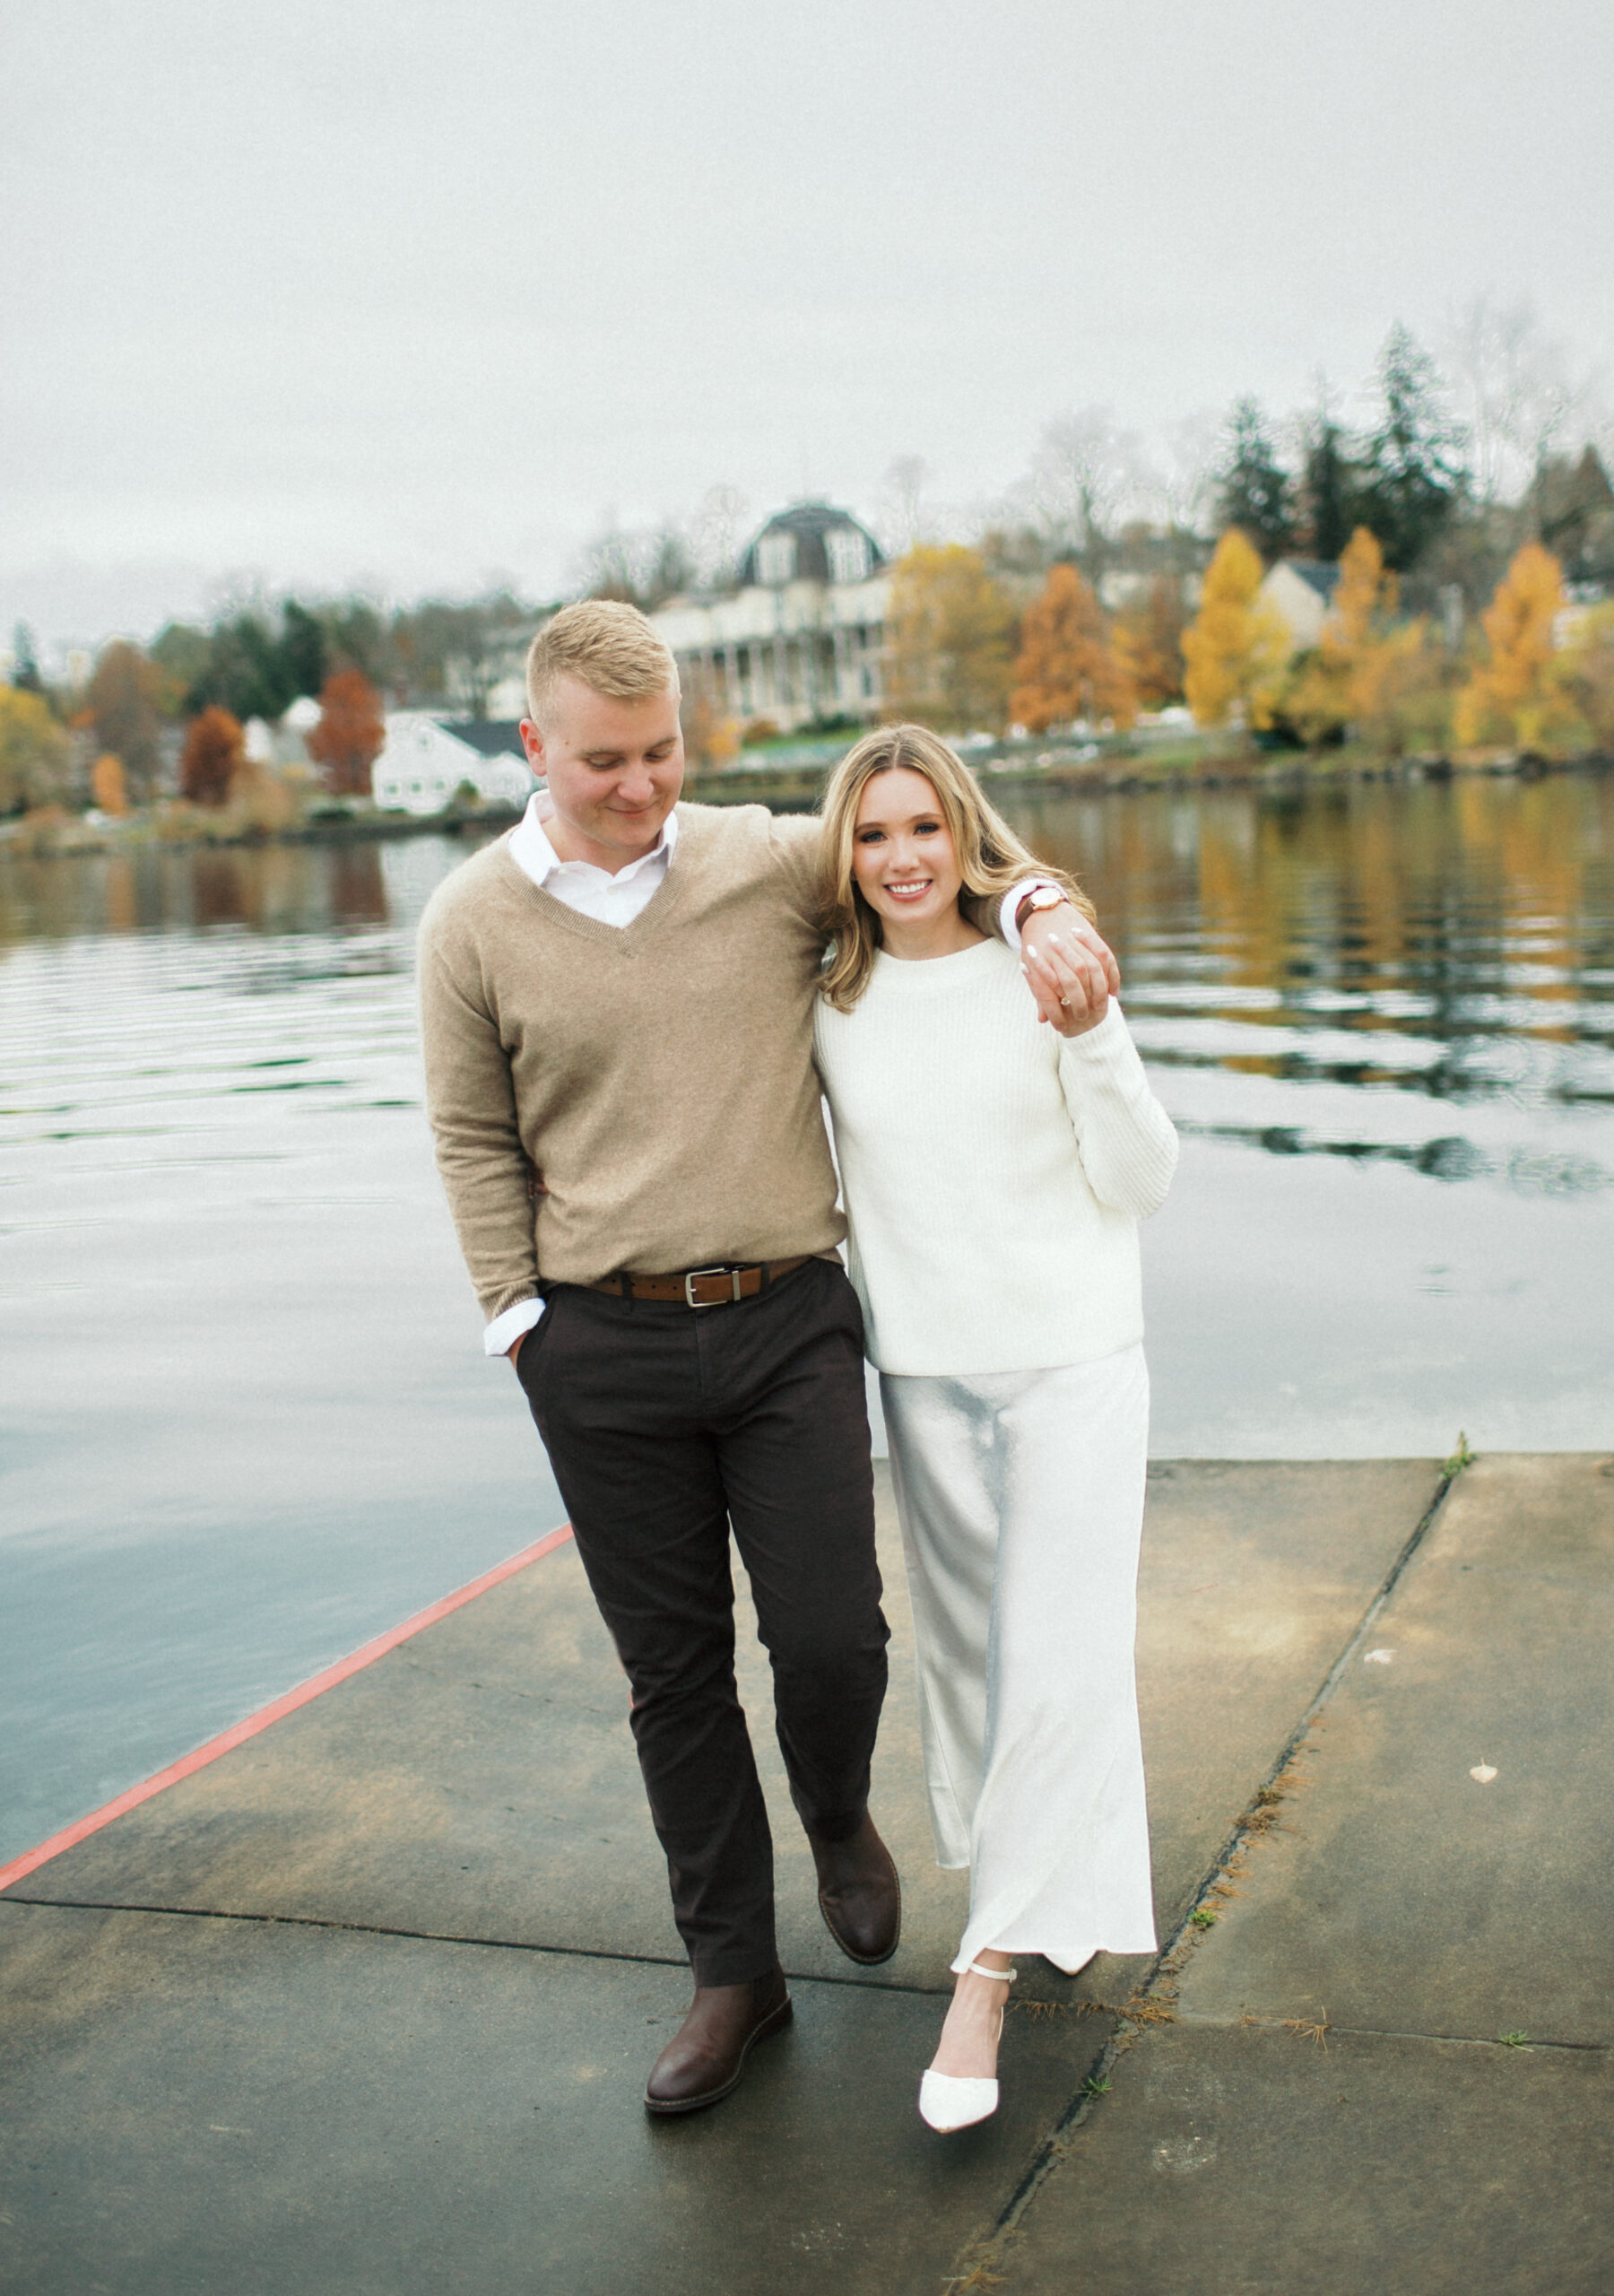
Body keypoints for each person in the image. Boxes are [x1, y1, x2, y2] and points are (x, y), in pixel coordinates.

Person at [415, 602, 1119, 2117]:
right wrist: (517, 1318)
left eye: (663, 751)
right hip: (597, 1345)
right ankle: (733, 1978)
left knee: (832, 1637)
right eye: (604, 760)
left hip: (788, 1319)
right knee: (671, 1677)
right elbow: (472, 1136)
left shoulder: (756, 860)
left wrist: (1039, 903)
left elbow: (921, 856)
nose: (640, 785)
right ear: (533, 746)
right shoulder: (469, 921)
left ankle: (838, 1815)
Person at [811, 724, 1179, 2135]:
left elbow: (1141, 1179)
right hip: (925, 1374)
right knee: (969, 1663)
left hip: (1073, 1360)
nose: (900, 858)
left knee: (1059, 1656)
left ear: (965, 832)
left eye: (922, 828)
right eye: (871, 833)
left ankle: (982, 1974)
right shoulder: (826, 998)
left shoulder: (1047, 960)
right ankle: (1057, 1887)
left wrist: (1083, 1022)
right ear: (842, 853)